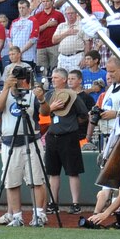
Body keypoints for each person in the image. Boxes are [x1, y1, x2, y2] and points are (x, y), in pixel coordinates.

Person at [0, 64, 48, 226]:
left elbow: (45, 112)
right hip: (9, 143)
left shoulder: (31, 94)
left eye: (17, 75)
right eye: (11, 74)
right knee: (11, 181)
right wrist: (6, 88)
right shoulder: (5, 94)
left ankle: (39, 215)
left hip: (31, 141)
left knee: (36, 179)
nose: (15, 77)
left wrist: (42, 98)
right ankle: (16, 216)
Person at [41, 69, 88, 213]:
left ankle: (75, 204)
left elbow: (83, 115)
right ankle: (53, 203)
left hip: (69, 136)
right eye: (52, 77)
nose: (53, 80)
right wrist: (51, 108)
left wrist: (70, 124)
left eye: (56, 77)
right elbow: (42, 114)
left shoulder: (73, 95)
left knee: (73, 171)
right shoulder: (49, 95)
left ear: (64, 79)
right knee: (53, 172)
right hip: (52, 136)